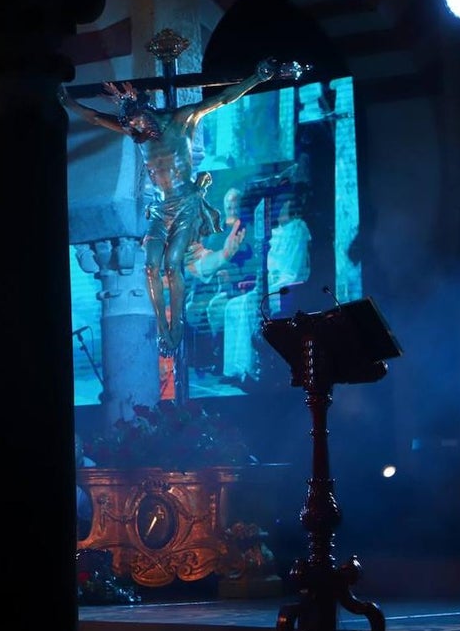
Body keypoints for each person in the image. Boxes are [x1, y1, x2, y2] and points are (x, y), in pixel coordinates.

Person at [60, 57, 309, 358]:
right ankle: (163, 329)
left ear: (146, 113)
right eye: (130, 127)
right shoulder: (135, 130)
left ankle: (175, 326)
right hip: (161, 208)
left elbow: (223, 99)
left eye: (137, 125)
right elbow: (96, 118)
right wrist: (65, 99)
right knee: (151, 266)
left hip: (186, 205)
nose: (133, 132)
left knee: (171, 263)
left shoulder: (182, 120)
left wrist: (257, 77)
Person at [220, 194, 311, 387]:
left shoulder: (298, 229)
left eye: (285, 204)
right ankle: (234, 369)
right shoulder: (275, 233)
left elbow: (293, 270)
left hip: (285, 286)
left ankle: (249, 371)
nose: (281, 209)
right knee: (231, 306)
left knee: (247, 305)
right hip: (270, 284)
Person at [184, 185, 256, 370]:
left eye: (235, 207)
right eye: (228, 207)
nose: (232, 211)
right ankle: (200, 358)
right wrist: (193, 290)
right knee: (190, 308)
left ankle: (219, 357)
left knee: (215, 308)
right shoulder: (216, 230)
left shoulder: (247, 231)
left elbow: (251, 264)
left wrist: (230, 275)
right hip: (208, 284)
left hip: (233, 285)